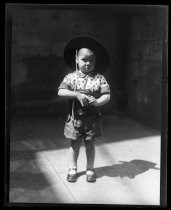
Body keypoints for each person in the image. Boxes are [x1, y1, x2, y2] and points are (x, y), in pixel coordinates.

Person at [57, 36, 110, 182]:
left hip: (92, 120)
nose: (88, 63)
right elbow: (61, 92)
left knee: (90, 144)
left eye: (92, 60)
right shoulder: (71, 78)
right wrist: (77, 94)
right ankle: (72, 168)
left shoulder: (99, 78)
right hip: (75, 119)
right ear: (76, 59)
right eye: (84, 60)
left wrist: (98, 102)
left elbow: (107, 95)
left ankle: (90, 168)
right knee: (74, 144)